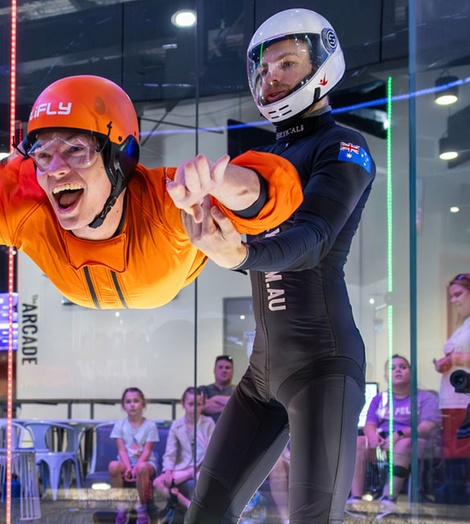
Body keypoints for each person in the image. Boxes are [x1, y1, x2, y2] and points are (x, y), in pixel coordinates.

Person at [0, 75, 303, 310]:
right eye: (44, 153)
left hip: (165, 280)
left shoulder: (169, 198)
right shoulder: (25, 200)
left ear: (121, 159)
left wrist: (226, 182)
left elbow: (275, 196)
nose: (56, 170)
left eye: (76, 150)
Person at [180, 9, 376, 523]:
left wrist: (241, 255)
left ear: (323, 65)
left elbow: (310, 239)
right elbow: (245, 243)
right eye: (265, 69)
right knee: (203, 514)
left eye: (287, 63)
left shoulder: (344, 147)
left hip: (324, 368)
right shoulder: (264, 159)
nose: (272, 78)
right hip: (261, 374)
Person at [346, 355, 440, 518]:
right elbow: (370, 424)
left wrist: (400, 434)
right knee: (358, 442)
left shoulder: (426, 398)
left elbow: (428, 427)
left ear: (411, 373)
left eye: (403, 367)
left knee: (403, 445)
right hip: (384, 443)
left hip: (415, 444)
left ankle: (388, 500)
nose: (397, 370)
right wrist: (373, 436)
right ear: (385, 376)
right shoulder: (379, 399)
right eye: (392, 368)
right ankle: (356, 500)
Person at [154, 387, 215, 519]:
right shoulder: (176, 425)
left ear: (203, 405)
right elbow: (170, 452)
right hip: (184, 468)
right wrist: (168, 471)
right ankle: (186, 503)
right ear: (183, 404)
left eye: (198, 404)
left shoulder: (208, 423)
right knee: (158, 483)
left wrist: (199, 468)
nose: (194, 408)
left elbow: (212, 451)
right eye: (190, 404)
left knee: (206, 485)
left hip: (201, 468)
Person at [433, 274, 470, 461]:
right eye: (451, 296)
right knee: (453, 452)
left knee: (462, 451)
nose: (454, 301)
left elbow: (460, 358)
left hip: (465, 400)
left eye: (458, 294)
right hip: (452, 398)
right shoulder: (463, 325)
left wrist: (455, 359)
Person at [110, 387, 160, 524]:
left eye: (136, 401)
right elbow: (121, 450)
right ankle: (121, 507)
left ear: (143, 404)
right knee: (113, 466)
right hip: (126, 462)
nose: (132, 404)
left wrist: (134, 468)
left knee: (142, 468)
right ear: (123, 405)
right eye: (128, 401)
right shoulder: (119, 425)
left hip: (146, 463)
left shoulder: (150, 425)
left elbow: (147, 451)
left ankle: (141, 509)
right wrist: (127, 468)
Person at [201, 356, 235, 423]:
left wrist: (216, 398)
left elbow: (242, 408)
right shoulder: (204, 390)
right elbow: (204, 406)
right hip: (208, 432)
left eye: (227, 368)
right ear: (214, 370)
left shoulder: (239, 391)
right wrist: (233, 407)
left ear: (233, 371)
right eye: (220, 367)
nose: (224, 370)